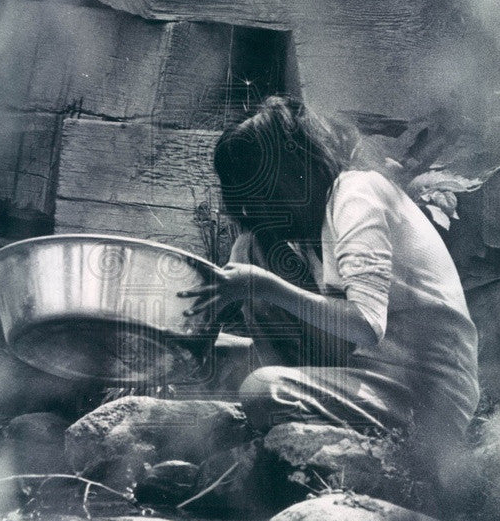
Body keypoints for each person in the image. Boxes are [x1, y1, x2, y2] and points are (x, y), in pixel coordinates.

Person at [180, 95, 480, 492]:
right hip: (367, 373)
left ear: (291, 172)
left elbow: (367, 325)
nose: (253, 208)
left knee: (261, 387)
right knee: (248, 251)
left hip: (425, 397)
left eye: (261, 190)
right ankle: (281, 420)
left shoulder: (357, 195)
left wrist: (263, 286)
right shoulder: (312, 223)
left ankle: (295, 424)